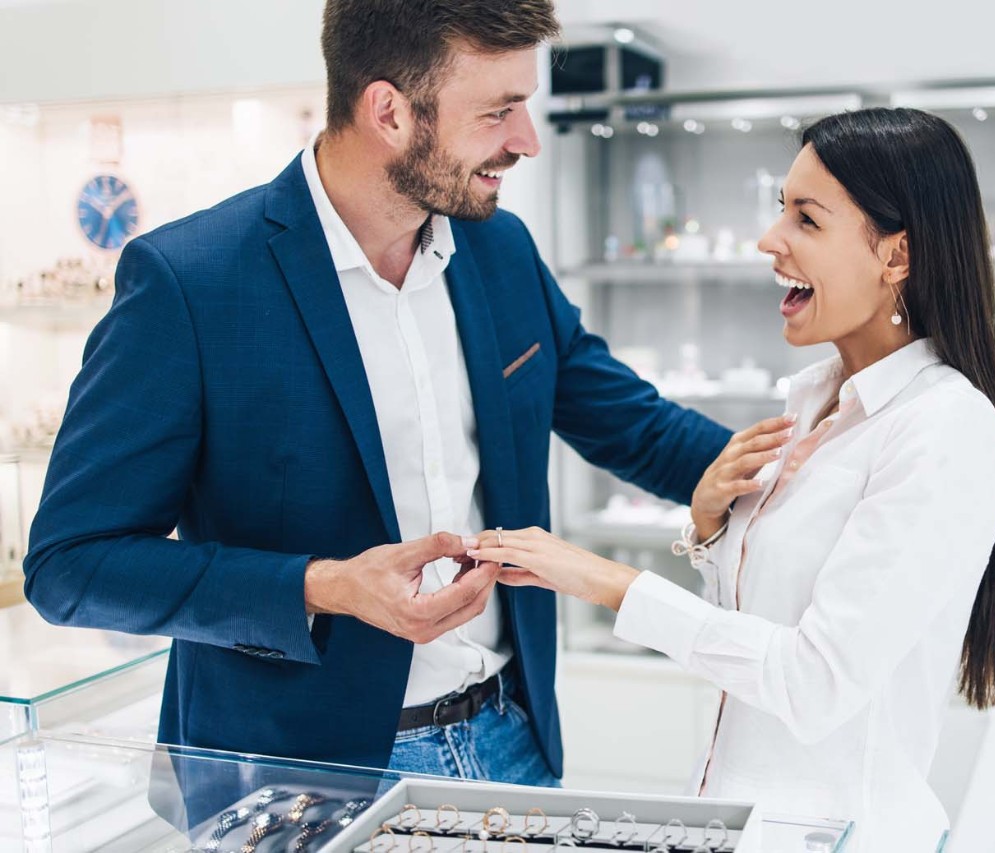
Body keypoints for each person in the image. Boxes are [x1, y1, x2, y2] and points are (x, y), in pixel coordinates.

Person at [22, 0, 730, 791]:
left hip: (510, 743)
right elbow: (70, 565)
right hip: (296, 777)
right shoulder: (191, 281)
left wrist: (820, 460)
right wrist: (322, 586)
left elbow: (637, 427)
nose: (526, 141)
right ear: (388, 111)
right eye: (499, 111)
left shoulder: (500, 249)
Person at [466, 107, 995, 849]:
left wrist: (605, 581)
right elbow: (756, 640)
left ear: (895, 257)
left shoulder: (945, 429)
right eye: (781, 210)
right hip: (735, 824)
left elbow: (813, 681)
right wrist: (709, 529)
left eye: (806, 218)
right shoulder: (812, 401)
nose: (771, 240)